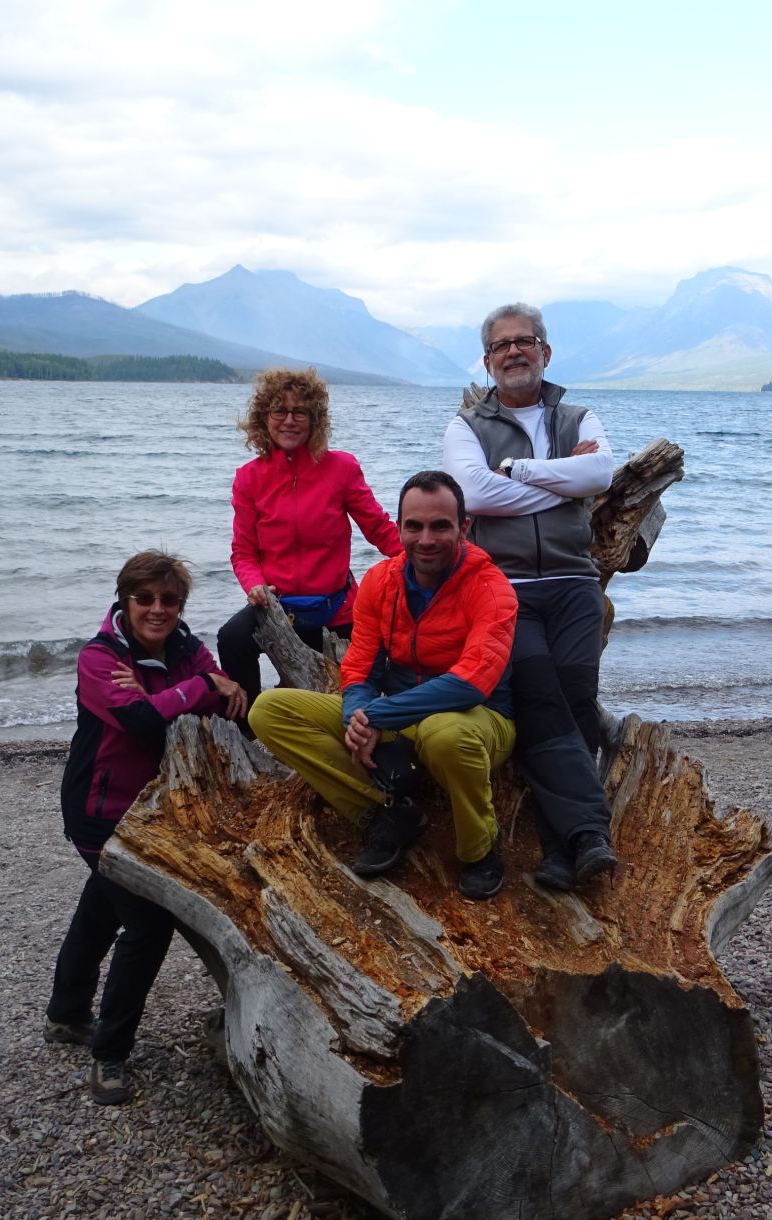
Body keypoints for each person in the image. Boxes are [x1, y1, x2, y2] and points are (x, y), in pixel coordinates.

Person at [248, 470, 518, 899]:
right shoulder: (380, 581)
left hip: (480, 722)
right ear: (399, 528)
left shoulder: (491, 588)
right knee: (269, 709)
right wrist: (356, 718)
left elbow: (471, 684)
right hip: (400, 715)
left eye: (440, 526)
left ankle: (479, 850)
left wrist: (375, 714)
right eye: (414, 526)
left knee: (444, 732)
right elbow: (358, 669)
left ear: (464, 528)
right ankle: (383, 813)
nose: (425, 539)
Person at [49, 550, 247, 1105]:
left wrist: (193, 689)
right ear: (124, 600)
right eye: (145, 599)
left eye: (170, 599)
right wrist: (195, 688)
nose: (158, 609)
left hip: (156, 808)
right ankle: (109, 1056)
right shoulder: (98, 657)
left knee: (102, 905)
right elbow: (139, 721)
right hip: (100, 810)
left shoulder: (186, 647)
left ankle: (65, 1014)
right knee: (148, 922)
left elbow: (229, 699)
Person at [442, 302, 618, 892]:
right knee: (542, 696)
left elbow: (601, 477)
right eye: (502, 345)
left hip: (572, 581)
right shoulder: (466, 427)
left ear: (546, 350)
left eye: (526, 341)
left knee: (577, 694)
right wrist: (558, 480)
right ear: (487, 360)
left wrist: (513, 471)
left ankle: (562, 848)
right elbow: (472, 493)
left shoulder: (579, 415)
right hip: (506, 587)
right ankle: (586, 836)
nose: (514, 351)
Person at [218, 367, 402, 710]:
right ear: (264, 418)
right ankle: (249, 729)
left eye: (299, 411)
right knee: (231, 639)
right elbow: (244, 552)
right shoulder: (249, 478)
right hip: (277, 608)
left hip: (338, 610)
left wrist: (424, 561)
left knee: (362, 683)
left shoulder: (342, 468)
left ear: (315, 419)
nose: (289, 420)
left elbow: (379, 528)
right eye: (280, 411)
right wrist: (255, 586)